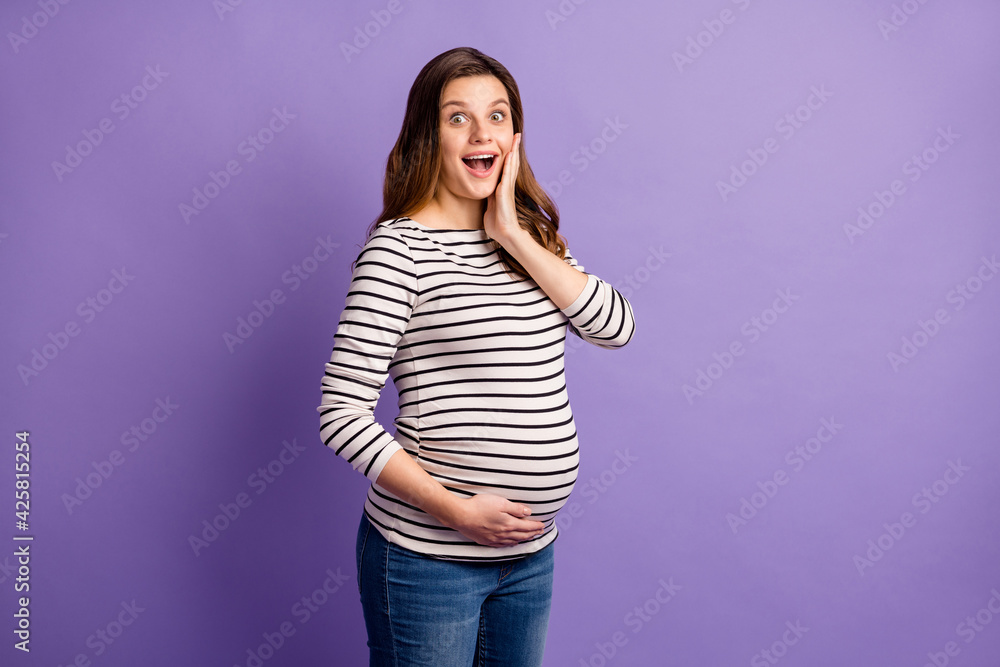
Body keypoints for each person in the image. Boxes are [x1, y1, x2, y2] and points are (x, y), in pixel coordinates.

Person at [317, 46, 635, 667]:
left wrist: (514, 235)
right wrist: (458, 512)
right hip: (426, 560)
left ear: (515, 135)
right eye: (457, 117)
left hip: (529, 557)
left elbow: (615, 326)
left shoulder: (530, 239)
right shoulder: (398, 252)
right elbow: (340, 414)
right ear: (426, 135)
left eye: (497, 115)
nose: (481, 132)